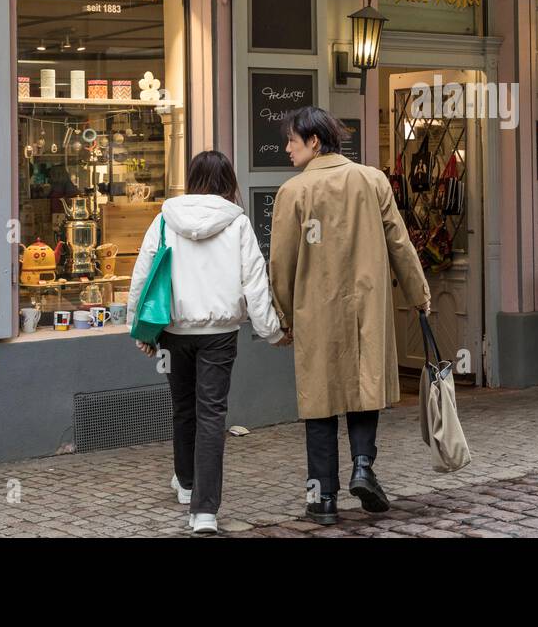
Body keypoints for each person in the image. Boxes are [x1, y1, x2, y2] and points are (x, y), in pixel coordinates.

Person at [269, 106, 431, 525]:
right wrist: (419, 294)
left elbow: (281, 264)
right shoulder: (371, 179)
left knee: (319, 402)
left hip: (314, 309)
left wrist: (282, 317)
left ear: (314, 142)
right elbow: (400, 243)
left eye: (292, 140)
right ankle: (363, 466)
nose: (286, 148)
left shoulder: (293, 192)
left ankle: (322, 498)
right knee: (364, 389)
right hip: (367, 305)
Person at [128, 150, 281, 535]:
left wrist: (140, 329)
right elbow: (255, 281)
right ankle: (204, 512)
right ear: (229, 181)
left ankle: (186, 483)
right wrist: (270, 330)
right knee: (211, 415)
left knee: (182, 408)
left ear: (191, 179)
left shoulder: (166, 218)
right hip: (220, 334)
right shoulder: (238, 223)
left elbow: (142, 274)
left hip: (173, 330)